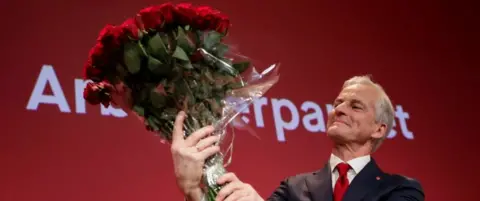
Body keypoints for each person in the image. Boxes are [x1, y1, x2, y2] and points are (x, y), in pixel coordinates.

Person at [170, 75, 425, 201]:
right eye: (338, 103)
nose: (340, 110)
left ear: (379, 129)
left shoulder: (400, 190)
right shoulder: (294, 187)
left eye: (356, 106)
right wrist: (193, 189)